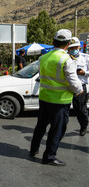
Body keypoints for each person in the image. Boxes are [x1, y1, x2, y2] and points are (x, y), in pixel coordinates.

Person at [29, 29, 84, 166]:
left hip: (44, 98)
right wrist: (79, 90)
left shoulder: (43, 58)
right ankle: (49, 156)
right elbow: (73, 81)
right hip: (60, 101)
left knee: (40, 126)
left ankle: (33, 149)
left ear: (53, 42)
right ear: (68, 43)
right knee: (57, 129)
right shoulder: (67, 59)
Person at [68, 37, 89, 136]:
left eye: (75, 48)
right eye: (71, 48)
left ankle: (83, 125)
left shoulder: (85, 58)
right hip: (68, 87)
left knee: (80, 109)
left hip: (80, 87)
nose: (73, 50)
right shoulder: (66, 58)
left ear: (79, 47)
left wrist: (84, 72)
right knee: (65, 110)